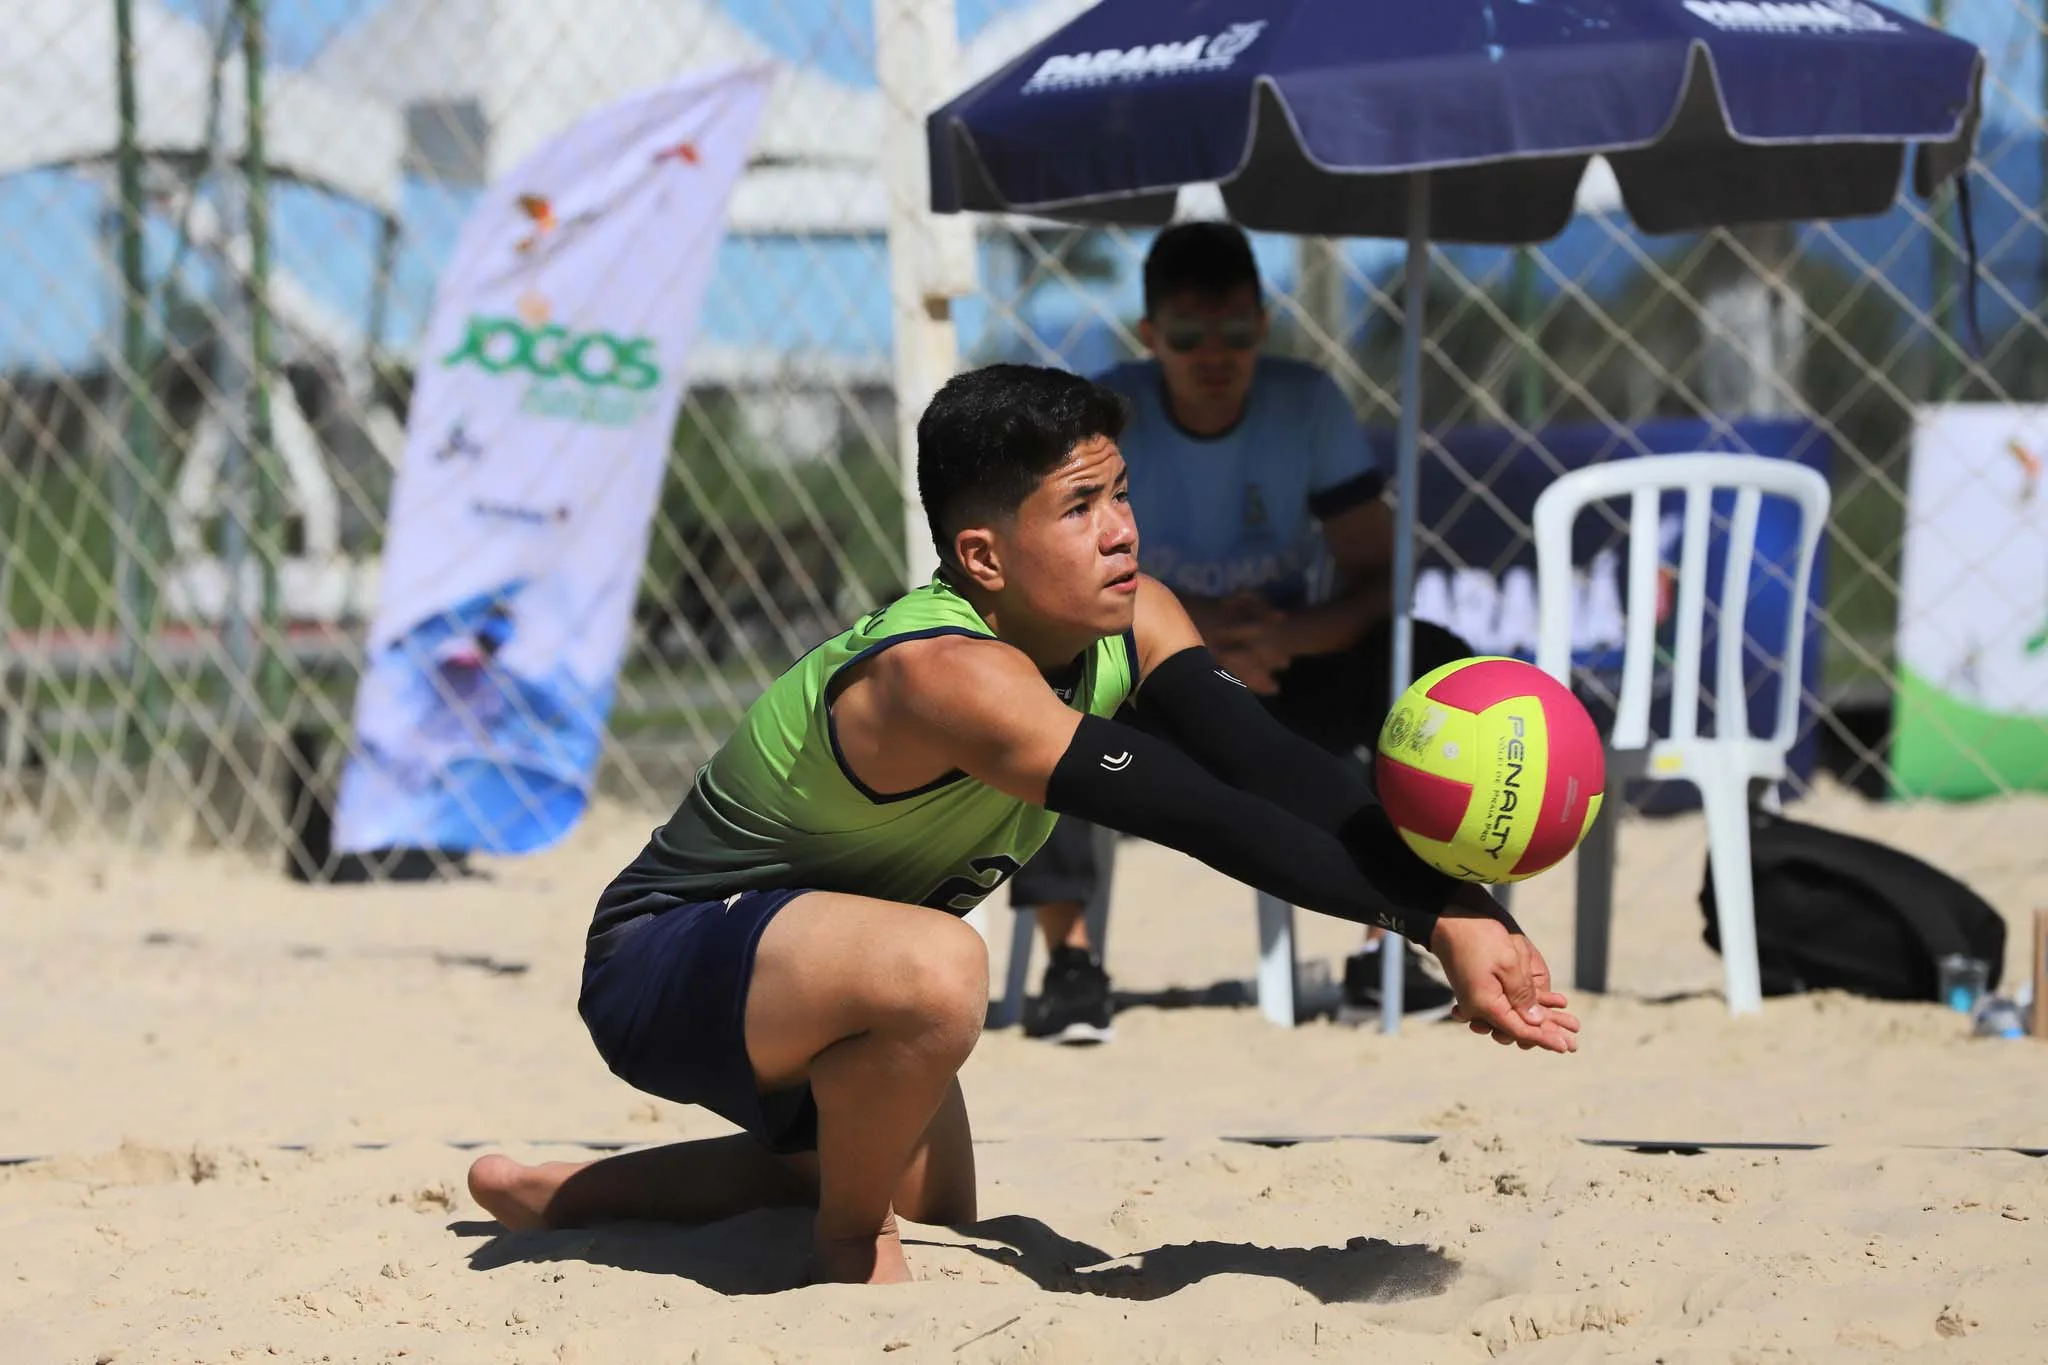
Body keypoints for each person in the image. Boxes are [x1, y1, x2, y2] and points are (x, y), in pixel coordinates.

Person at [464, 364, 1578, 1287]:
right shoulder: (946, 674)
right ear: (984, 556)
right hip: (665, 956)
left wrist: (1462, 906)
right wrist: (1433, 920)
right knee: (943, 977)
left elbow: (1266, 766)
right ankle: (850, 1252)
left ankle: (565, 1194)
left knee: (929, 1191)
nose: (1120, 533)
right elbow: (1193, 810)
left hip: (826, 965)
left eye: (1121, 494)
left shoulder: (1130, 614)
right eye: (1078, 507)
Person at [1011, 221, 1475, 1043]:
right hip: (1154, 674)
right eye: (1188, 334)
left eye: (1234, 329)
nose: (1213, 352)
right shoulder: (1105, 416)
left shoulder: (1307, 403)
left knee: (1434, 662)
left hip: (1288, 665)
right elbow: (1065, 578)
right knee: (1038, 681)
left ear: (1264, 323)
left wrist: (1292, 636)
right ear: (1152, 336)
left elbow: (1377, 572)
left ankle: (1389, 946)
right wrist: (1201, 636)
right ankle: (1071, 961)